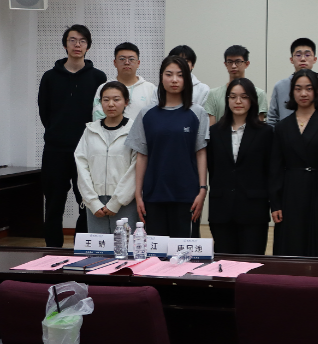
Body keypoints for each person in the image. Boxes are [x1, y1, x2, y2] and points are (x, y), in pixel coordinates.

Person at [38, 24, 108, 246]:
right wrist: (58, 132)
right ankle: (52, 251)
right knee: (53, 203)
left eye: (82, 41)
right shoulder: (49, 77)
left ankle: (81, 249)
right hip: (55, 150)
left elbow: (101, 113)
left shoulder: (98, 77)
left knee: (86, 202)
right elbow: (44, 112)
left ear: (88, 46)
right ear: (65, 44)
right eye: (72, 40)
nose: (77, 45)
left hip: (87, 149)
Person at [127, 56, 209, 238]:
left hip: (187, 196)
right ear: (161, 77)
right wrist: (138, 194)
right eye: (169, 74)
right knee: (156, 251)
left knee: (185, 250)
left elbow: (201, 152)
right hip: (154, 194)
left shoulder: (197, 112)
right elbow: (142, 155)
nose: (174, 80)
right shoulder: (146, 113)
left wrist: (203, 189)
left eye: (180, 75)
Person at [269, 69, 318, 257]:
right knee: (290, 246)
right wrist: (275, 203)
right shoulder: (282, 126)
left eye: (309, 88)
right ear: (292, 92)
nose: (303, 93)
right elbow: (275, 168)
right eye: (298, 89)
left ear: (316, 91)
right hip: (290, 193)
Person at [206, 78, 274, 255]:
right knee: (224, 263)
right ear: (227, 100)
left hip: (254, 210)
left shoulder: (265, 132)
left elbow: (269, 170)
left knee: (252, 263)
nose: (238, 101)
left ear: (252, 100)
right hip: (221, 209)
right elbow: (213, 168)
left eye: (244, 97)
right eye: (233, 97)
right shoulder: (214, 132)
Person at [75, 81, 138, 234]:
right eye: (106, 99)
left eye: (116, 99)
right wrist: (92, 202)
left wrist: (116, 202)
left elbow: (136, 169)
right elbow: (81, 165)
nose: (111, 104)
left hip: (124, 202)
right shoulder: (90, 130)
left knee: (125, 246)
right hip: (95, 204)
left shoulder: (135, 130)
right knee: (98, 247)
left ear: (126, 102)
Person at [268, 38, 318, 127]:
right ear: (291, 59)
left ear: (315, 59)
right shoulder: (280, 86)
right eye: (298, 55)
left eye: (307, 55)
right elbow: (272, 118)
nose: (303, 59)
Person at [91, 42, 158, 121]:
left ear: (138, 63)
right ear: (115, 63)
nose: (127, 62)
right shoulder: (104, 88)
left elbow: (155, 117)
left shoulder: (150, 88)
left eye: (131, 59)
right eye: (122, 59)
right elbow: (98, 118)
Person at [204, 45, 268, 125]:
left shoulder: (259, 94)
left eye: (238, 62)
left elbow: (259, 125)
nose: (233, 66)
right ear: (225, 64)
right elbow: (211, 126)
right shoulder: (213, 94)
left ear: (247, 64)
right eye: (230, 62)